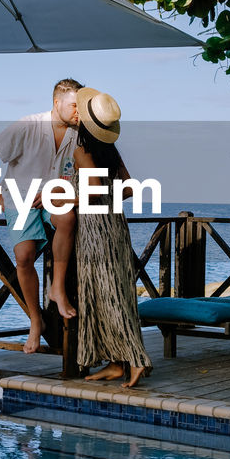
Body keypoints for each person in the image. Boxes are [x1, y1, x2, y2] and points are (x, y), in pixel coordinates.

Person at [0, 79, 82, 354]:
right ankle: (36, 320)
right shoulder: (27, 126)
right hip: (20, 199)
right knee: (23, 256)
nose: (77, 112)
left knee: (67, 219)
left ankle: (57, 290)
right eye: (73, 106)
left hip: (56, 198)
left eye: (80, 107)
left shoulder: (80, 134)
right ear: (56, 103)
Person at [70, 87, 151, 389]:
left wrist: (63, 200)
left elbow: (90, 191)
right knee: (116, 293)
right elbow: (129, 188)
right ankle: (116, 364)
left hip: (94, 231)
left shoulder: (81, 151)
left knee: (106, 296)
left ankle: (137, 360)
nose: (74, 113)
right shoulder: (111, 152)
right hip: (116, 225)